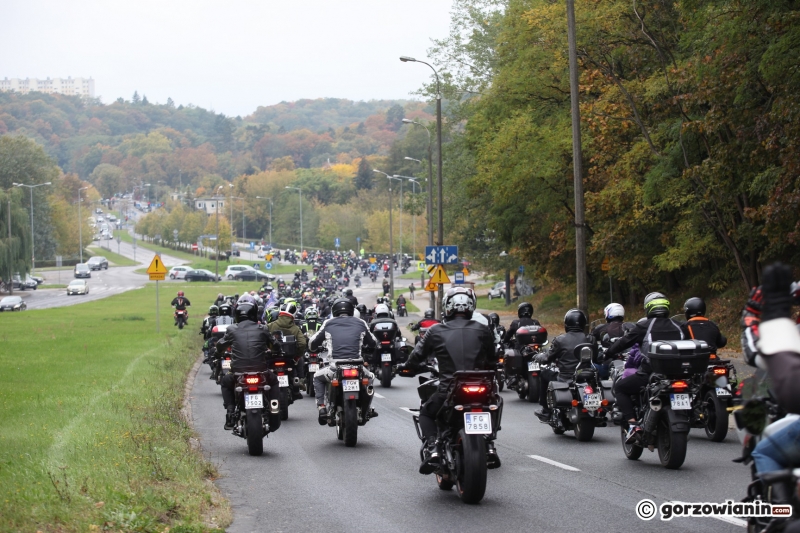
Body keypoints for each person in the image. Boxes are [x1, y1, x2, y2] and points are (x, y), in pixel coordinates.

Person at [397, 287, 499, 473]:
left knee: (426, 413)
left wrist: (406, 367)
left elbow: (417, 356)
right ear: (471, 306)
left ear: (446, 306)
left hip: (449, 390)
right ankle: (489, 442)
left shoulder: (436, 331)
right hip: (482, 389)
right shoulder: (483, 330)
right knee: (494, 403)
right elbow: (492, 359)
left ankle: (433, 449)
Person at [603, 292, 685, 443]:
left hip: (650, 374)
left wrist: (608, 352)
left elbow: (624, 342)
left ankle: (633, 424)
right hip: (680, 375)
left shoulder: (644, 326)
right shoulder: (680, 326)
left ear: (648, 308)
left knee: (620, 388)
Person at [308, 299, 378, 424]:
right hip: (358, 367)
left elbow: (313, 342)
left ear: (334, 310)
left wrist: (313, 347)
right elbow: (373, 342)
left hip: (335, 368)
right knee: (371, 377)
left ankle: (322, 408)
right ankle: (366, 409)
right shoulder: (361, 323)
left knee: (317, 377)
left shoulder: (328, 323)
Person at [215, 300, 281, 432]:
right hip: (261, 371)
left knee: (225, 382)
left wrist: (219, 352)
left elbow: (220, 345)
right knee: (273, 381)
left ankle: (230, 410)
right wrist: (274, 351)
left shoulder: (232, 329)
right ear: (254, 314)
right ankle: (274, 408)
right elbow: (275, 345)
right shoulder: (262, 328)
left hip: (238, 372)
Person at [534, 309, 594, 417]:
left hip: (566, 377)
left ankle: (546, 410)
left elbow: (547, 358)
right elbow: (598, 358)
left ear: (567, 323)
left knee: (544, 374)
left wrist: (538, 356)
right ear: (583, 323)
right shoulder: (590, 339)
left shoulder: (560, 340)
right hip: (586, 376)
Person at [268, 300, 307, 400]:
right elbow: (302, 343)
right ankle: (301, 382)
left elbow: (260, 340)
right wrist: (297, 356)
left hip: (271, 358)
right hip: (289, 360)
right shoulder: (296, 328)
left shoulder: (270, 326)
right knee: (301, 360)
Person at [369, 303, 400, 367]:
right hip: (390, 344)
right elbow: (398, 333)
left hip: (378, 344)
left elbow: (369, 332)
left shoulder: (373, 322)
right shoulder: (393, 321)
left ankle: (373, 365)